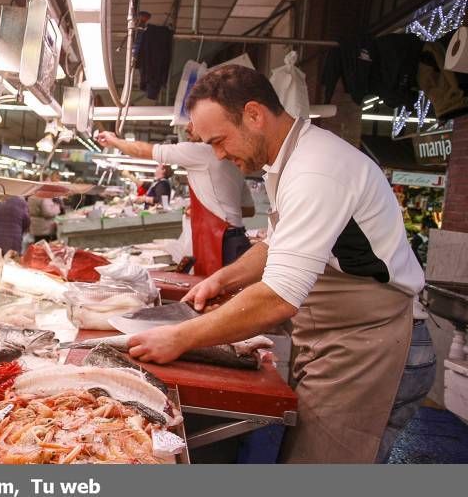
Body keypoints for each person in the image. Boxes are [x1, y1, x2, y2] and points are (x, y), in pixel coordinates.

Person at [127, 65, 432, 463]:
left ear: (254, 115)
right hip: (340, 342)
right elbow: (275, 244)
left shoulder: (316, 170)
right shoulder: (290, 162)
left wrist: (179, 338)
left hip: (375, 347)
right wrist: (223, 278)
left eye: (219, 140)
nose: (217, 154)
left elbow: (278, 299)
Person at [98, 129, 253, 275]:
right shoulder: (231, 160)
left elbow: (142, 151)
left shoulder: (200, 150)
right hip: (238, 242)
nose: (187, 127)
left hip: (219, 245)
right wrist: (206, 209)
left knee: (215, 298)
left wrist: (113, 141)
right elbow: (248, 209)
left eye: (194, 121)